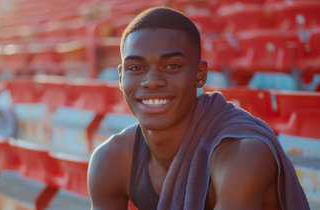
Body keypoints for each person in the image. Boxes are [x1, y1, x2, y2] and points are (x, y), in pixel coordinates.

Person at [87, 6, 309, 210]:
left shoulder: (242, 155)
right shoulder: (111, 159)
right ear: (121, 77)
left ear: (200, 75)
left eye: (172, 66)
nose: (152, 81)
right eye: (135, 67)